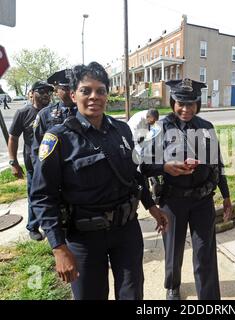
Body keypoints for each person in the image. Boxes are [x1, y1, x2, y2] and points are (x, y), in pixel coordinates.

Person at [30, 62, 168, 300]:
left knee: (132, 294)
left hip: (126, 231)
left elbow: (133, 174)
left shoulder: (122, 130)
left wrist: (152, 206)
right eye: (86, 91)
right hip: (84, 238)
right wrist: (58, 248)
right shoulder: (58, 139)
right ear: (74, 95)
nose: (94, 96)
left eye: (101, 90)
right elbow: (42, 196)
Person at [140, 78, 233, 300]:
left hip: (203, 201)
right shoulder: (160, 128)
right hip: (173, 201)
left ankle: (209, 298)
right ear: (173, 103)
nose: (185, 109)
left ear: (197, 104)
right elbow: (143, 166)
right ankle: (172, 286)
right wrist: (165, 167)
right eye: (180, 103)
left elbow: (217, 165)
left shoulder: (206, 127)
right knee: (173, 249)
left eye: (191, 103)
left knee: (205, 252)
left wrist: (226, 196)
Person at [8, 80, 54, 241]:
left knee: (53, 193)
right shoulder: (23, 113)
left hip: (53, 161)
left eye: (49, 92)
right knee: (35, 194)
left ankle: (51, 225)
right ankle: (33, 226)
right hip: (33, 163)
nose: (46, 95)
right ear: (32, 93)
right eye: (42, 91)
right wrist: (13, 162)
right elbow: (13, 138)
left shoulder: (53, 113)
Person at [32, 69, 77, 154]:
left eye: (73, 87)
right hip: (55, 164)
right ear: (56, 91)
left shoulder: (87, 112)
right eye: (66, 88)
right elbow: (37, 148)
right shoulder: (44, 115)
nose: (71, 92)